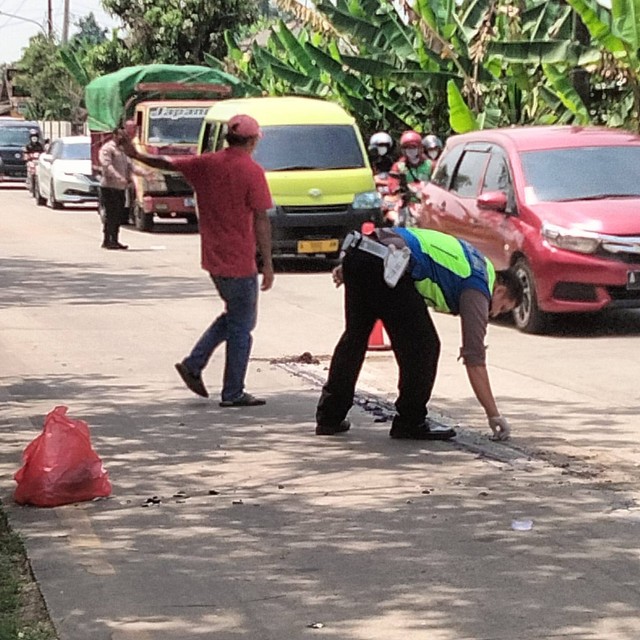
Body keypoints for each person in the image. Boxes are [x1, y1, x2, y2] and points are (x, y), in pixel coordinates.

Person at [121, 114, 274, 407]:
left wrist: (135, 154)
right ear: (253, 141)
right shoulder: (252, 171)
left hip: (213, 257)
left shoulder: (206, 163)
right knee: (242, 326)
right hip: (239, 258)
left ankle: (194, 364)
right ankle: (232, 392)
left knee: (234, 317)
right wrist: (267, 263)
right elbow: (261, 219)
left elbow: (167, 163)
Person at [315, 226, 523, 442]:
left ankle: (329, 417)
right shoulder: (479, 285)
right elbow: (475, 359)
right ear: (499, 290)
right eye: (503, 307)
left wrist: (353, 266)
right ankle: (410, 421)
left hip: (362, 252)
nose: (495, 313)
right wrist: (493, 415)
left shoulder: (476, 261)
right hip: (389, 267)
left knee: (355, 338)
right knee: (424, 347)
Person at [98, 124, 146, 250]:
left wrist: (145, 173)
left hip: (120, 188)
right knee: (111, 214)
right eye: (121, 135)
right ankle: (107, 240)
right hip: (109, 187)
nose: (123, 137)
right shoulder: (108, 148)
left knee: (119, 214)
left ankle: (115, 239)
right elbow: (106, 166)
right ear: (115, 135)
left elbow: (131, 166)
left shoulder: (122, 150)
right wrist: (118, 177)